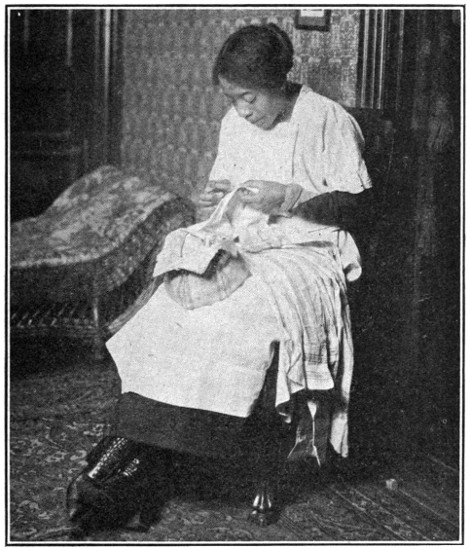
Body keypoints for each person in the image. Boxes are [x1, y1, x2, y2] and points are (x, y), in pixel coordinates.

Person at [66, 23, 373, 535]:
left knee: (232, 315)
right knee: (168, 306)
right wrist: (209, 200)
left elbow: (360, 206)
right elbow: (220, 192)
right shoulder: (235, 122)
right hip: (243, 240)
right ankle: (139, 451)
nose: (242, 111)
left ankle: (131, 459)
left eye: (250, 98)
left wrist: (290, 196)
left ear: (279, 81)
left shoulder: (327, 119)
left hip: (307, 249)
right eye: (233, 99)